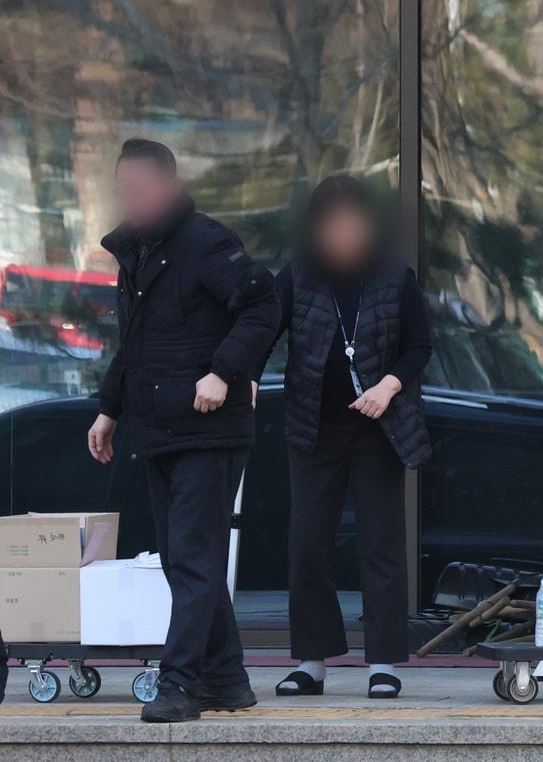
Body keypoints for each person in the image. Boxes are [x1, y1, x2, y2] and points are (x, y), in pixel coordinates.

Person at [88, 139, 280, 723]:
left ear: (169, 187)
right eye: (124, 189)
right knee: (182, 561)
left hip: (209, 431)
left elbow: (264, 306)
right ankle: (227, 680)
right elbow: (136, 345)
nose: (132, 199)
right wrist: (109, 409)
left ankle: (180, 685)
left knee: (194, 559)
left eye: (142, 188)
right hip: (158, 429)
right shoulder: (138, 254)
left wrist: (224, 371)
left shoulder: (205, 242)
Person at [257, 176, 432, 700]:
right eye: (332, 224)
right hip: (313, 430)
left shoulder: (394, 277)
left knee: (381, 544)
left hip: (379, 431)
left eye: (352, 222)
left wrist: (389, 385)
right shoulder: (298, 277)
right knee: (307, 543)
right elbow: (263, 331)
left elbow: (420, 345)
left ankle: (383, 662)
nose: (343, 233)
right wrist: (236, 374)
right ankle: (312, 662)